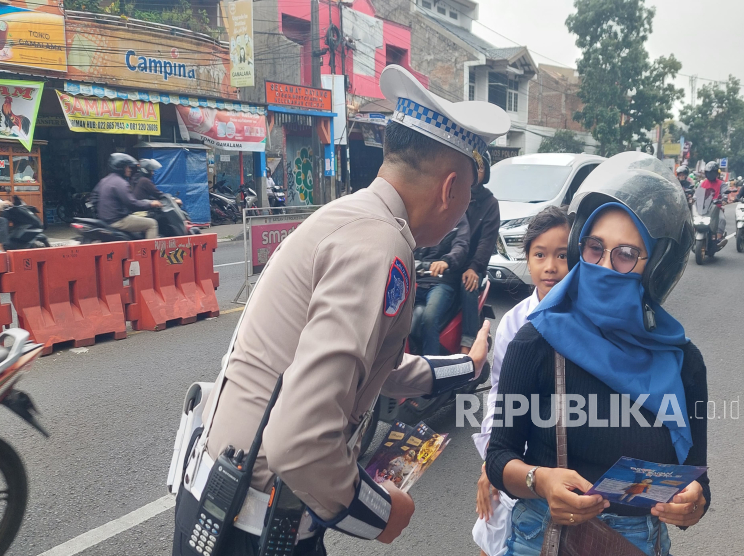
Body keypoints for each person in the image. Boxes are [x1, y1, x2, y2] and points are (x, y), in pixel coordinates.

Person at [172, 65, 510, 556]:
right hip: (249, 530)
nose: (463, 215)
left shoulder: (357, 217)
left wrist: (468, 365)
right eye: (468, 199)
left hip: (232, 509)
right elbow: (300, 441)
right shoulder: (381, 246)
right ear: (451, 187)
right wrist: (379, 514)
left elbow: (378, 371)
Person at [486, 152, 709, 556]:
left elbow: (697, 481)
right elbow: (499, 458)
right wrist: (541, 481)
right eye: (594, 248)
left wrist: (692, 504)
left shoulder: (683, 361)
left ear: (654, 265)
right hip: (544, 537)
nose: (604, 265)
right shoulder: (537, 340)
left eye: (625, 254)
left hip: (640, 542)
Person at [472, 206, 571, 556]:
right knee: (492, 530)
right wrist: (491, 463)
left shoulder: (587, 320)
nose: (551, 267)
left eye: (562, 255)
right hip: (518, 454)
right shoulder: (515, 323)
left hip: (568, 457)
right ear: (526, 260)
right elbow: (499, 395)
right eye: (540, 255)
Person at [460, 151, 500, 354]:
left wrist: (474, 267)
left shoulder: (491, 204)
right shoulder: (455, 195)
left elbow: (487, 241)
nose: (476, 171)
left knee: (467, 286)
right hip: (450, 259)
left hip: (473, 266)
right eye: (472, 165)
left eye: (480, 166)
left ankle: (467, 346)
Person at [411, 215, 470, 355]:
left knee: (429, 317)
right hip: (418, 280)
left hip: (441, 282)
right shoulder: (422, 216)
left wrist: (446, 261)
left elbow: (461, 245)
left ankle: (431, 367)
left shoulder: (458, 218)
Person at [92, 154, 161, 239]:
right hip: (118, 220)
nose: (130, 170)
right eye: (128, 167)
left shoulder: (104, 180)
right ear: (121, 168)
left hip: (105, 220)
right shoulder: (121, 183)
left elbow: (94, 198)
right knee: (152, 224)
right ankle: (149, 252)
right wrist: (151, 204)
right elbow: (132, 203)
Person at [698, 160, 727, 247]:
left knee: (722, 219)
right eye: (709, 173)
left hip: (716, 208)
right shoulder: (703, 183)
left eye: (712, 172)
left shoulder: (721, 184)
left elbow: (724, 193)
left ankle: (718, 238)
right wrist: (694, 199)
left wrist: (724, 199)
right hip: (703, 208)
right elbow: (697, 194)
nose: (710, 174)